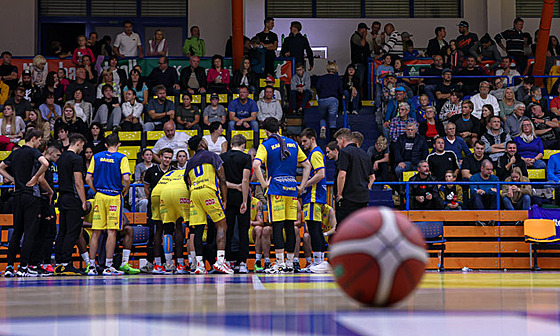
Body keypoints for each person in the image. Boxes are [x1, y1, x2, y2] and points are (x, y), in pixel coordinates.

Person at [253, 118, 311, 273]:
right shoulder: (293, 143)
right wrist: (302, 186)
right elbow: (307, 165)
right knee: (290, 226)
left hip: (276, 188)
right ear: (279, 128)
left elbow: (256, 165)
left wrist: (264, 184)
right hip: (291, 189)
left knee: (278, 226)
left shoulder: (265, 145)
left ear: (266, 130)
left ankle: (279, 264)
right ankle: (290, 263)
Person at [0, 129, 49, 277]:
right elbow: (45, 163)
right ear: (33, 138)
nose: (39, 143)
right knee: (29, 232)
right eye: (39, 140)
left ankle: (9, 267)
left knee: (16, 232)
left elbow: (1, 167)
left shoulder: (15, 152)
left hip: (17, 196)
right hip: (30, 195)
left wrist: (13, 180)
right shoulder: (33, 152)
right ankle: (23, 267)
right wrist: (35, 177)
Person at [85, 133, 131, 275]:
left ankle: (91, 266)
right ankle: (108, 266)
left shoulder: (96, 156)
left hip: (99, 196)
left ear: (105, 144)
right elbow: (127, 178)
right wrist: (125, 191)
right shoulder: (121, 157)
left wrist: (95, 190)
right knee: (111, 231)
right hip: (114, 196)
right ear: (119, 144)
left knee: (96, 231)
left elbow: (87, 178)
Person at [185, 135, 232, 274]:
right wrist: (224, 199)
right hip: (208, 190)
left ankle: (199, 265)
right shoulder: (212, 156)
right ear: (202, 144)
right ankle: (220, 261)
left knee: (198, 230)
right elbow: (222, 179)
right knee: (221, 224)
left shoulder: (190, 162)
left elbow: (187, 182)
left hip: (194, 193)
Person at [53, 133, 87, 276]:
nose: (82, 149)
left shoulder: (61, 158)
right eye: (82, 146)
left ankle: (60, 263)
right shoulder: (76, 159)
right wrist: (84, 201)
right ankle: (67, 264)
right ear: (78, 143)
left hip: (62, 198)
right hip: (73, 199)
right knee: (72, 233)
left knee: (62, 232)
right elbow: (78, 183)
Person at [220, 134, 252, 274]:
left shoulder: (222, 157)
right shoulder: (246, 158)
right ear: (243, 145)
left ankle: (226, 261)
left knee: (228, 229)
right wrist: (244, 201)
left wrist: (233, 186)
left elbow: (221, 181)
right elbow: (245, 181)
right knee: (243, 230)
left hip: (227, 196)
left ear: (231, 144)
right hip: (241, 196)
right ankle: (242, 262)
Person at [300, 128, 328, 272]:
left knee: (314, 228)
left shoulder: (315, 153)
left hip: (313, 196)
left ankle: (318, 262)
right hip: (314, 196)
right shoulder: (314, 153)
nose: (303, 144)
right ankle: (319, 261)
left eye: (305, 141)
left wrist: (304, 184)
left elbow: (321, 174)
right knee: (315, 228)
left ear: (312, 139)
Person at [141, 148, 173, 273]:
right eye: (165, 157)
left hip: (169, 207)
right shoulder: (151, 171)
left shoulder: (174, 172)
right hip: (154, 207)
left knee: (168, 232)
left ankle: (168, 262)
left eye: (169, 158)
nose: (167, 160)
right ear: (160, 157)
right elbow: (146, 188)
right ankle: (154, 263)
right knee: (154, 233)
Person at [150, 168, 188, 274]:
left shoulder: (173, 172)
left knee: (160, 228)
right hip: (173, 192)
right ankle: (180, 264)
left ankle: (160, 264)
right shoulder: (188, 171)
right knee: (178, 225)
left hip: (156, 192)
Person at [334, 128, 375, 223]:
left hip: (348, 198)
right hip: (363, 198)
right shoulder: (365, 154)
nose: (337, 144)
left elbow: (342, 175)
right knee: (361, 228)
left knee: (344, 228)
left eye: (338, 141)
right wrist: (366, 189)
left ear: (342, 139)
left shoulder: (344, 152)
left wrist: (339, 194)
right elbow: (372, 177)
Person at [316, 61, 343, 139]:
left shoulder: (322, 78)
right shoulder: (338, 79)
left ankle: (323, 127)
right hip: (333, 99)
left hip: (322, 99)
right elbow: (340, 91)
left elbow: (318, 88)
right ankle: (332, 135)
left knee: (322, 117)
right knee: (332, 119)